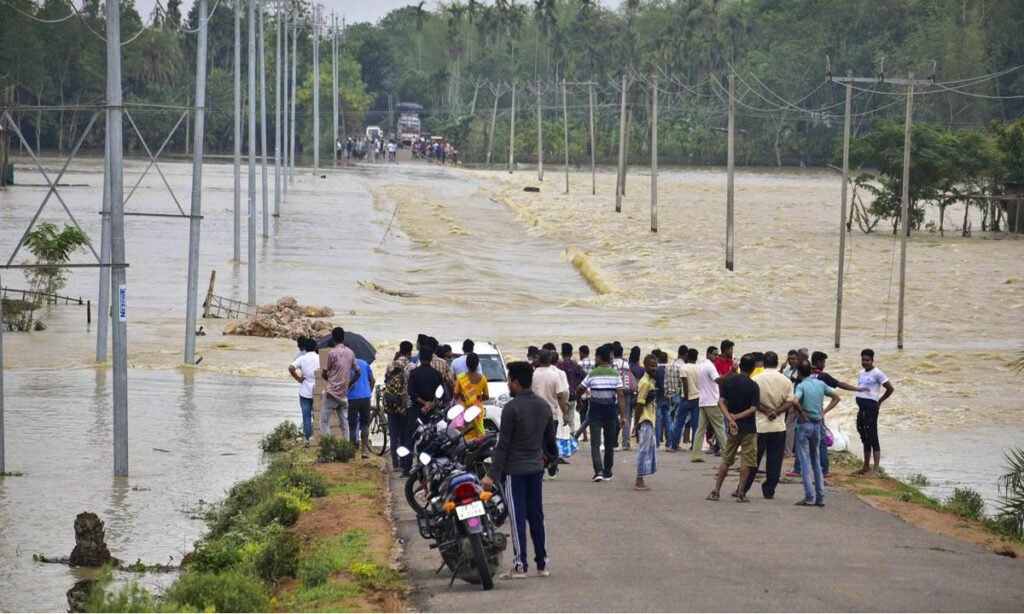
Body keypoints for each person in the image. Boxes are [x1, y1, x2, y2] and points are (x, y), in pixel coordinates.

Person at [481, 362, 557, 580]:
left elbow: (503, 445)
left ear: (515, 381)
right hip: (535, 469)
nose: (508, 384)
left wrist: (491, 475)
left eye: (509, 380)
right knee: (536, 516)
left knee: (517, 518)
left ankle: (520, 565)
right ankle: (542, 564)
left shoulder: (511, 409)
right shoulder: (543, 407)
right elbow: (550, 443)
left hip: (514, 471)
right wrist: (548, 462)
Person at [790, 351, 869, 478]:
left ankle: (797, 469)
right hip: (817, 415)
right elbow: (840, 386)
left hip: (802, 413)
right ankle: (825, 470)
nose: (825, 365)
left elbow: (796, 394)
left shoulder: (804, 374)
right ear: (820, 362)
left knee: (801, 442)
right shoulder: (822, 377)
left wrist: (797, 411)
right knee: (821, 442)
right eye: (824, 362)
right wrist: (858, 389)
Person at [707, 354, 760, 503]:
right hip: (748, 427)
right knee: (746, 461)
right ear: (752, 369)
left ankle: (716, 491)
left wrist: (730, 419)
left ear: (740, 366)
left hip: (732, 428)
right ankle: (741, 493)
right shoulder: (753, 385)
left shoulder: (728, 382)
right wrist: (738, 417)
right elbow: (753, 408)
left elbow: (721, 402)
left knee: (726, 460)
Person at [742, 351, 796, 499]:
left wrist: (766, 411)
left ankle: (744, 488)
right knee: (775, 460)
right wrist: (777, 411)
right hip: (778, 426)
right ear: (777, 362)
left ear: (763, 363)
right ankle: (769, 490)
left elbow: (752, 401)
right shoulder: (785, 380)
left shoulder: (756, 379)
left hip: (759, 425)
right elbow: (790, 401)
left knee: (754, 459)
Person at [793, 361, 840, 506]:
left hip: (805, 425)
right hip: (818, 424)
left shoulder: (801, 386)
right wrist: (824, 411)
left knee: (805, 462)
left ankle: (809, 496)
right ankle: (820, 496)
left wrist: (801, 413)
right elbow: (836, 397)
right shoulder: (820, 384)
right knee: (816, 461)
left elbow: (795, 401)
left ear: (799, 373)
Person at [577, 345, 627, 482]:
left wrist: (578, 402)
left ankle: (598, 470)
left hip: (595, 411)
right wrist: (623, 415)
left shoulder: (592, 374)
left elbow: (579, 389)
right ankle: (608, 471)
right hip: (611, 411)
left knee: (595, 443)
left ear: (599, 357)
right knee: (609, 443)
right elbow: (620, 395)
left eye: (595, 357)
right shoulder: (616, 374)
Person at [403, 344, 444, 475]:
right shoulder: (437, 374)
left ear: (420, 357)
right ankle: (432, 468)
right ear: (431, 358)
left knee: (410, 440)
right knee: (433, 441)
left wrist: (423, 404)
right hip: (432, 413)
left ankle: (407, 469)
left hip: (416, 412)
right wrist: (431, 404)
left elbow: (411, 393)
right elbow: (441, 394)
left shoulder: (414, 373)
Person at [855, 349, 894, 476]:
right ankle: (865, 466)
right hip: (862, 408)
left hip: (871, 408)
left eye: (867, 360)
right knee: (863, 434)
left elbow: (890, 388)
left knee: (872, 435)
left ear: (872, 360)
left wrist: (880, 401)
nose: (865, 362)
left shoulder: (878, 373)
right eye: (863, 360)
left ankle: (875, 469)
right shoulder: (861, 373)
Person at [320, 327, 360, 438]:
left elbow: (324, 373)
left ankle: (328, 448)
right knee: (344, 423)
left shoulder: (332, 353)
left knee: (324, 421)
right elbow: (358, 373)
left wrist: (331, 381)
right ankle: (345, 447)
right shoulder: (351, 353)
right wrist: (349, 384)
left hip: (331, 394)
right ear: (343, 338)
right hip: (343, 394)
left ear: (333, 339)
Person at [691, 346, 728, 463]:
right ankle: (727, 455)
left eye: (717, 355)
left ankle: (696, 454)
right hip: (712, 401)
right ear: (708, 354)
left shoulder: (701, 366)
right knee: (720, 428)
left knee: (700, 429)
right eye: (714, 354)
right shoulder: (710, 367)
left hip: (703, 401)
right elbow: (718, 380)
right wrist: (730, 373)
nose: (717, 357)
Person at [382, 341, 413, 470]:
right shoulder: (411, 366)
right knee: (405, 435)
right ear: (410, 352)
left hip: (390, 403)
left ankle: (395, 464)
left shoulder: (390, 365)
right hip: (404, 404)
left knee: (393, 434)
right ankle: (404, 461)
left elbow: (386, 380)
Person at [633, 355, 659, 491]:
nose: (654, 368)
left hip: (650, 418)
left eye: (656, 366)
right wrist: (636, 424)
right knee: (643, 450)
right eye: (651, 366)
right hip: (645, 419)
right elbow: (639, 404)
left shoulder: (651, 381)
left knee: (649, 449)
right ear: (645, 366)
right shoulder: (645, 383)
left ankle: (642, 477)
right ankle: (639, 480)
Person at [288, 337, 320, 445]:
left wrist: (298, 379)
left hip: (305, 390)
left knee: (306, 416)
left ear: (305, 348)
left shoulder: (302, 358)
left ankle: (308, 439)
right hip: (318, 390)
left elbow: (291, 368)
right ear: (316, 347)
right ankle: (318, 437)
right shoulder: (320, 358)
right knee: (318, 416)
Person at [453, 352, 489, 439]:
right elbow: (486, 396)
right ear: (477, 364)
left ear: (467, 364)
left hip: (464, 410)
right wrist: (476, 399)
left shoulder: (461, 378)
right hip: (477, 410)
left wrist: (466, 397)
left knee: (464, 434)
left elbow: (455, 395)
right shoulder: (483, 379)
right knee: (478, 434)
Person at [531, 349, 569, 429]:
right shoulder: (555, 375)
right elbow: (560, 396)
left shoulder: (533, 375)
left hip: (535, 415)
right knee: (550, 440)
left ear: (538, 360)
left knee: (537, 440)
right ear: (550, 360)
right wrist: (564, 414)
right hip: (551, 415)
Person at [557, 343, 587, 436]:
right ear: (571, 353)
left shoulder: (559, 365)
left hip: (562, 396)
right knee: (571, 419)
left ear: (562, 353)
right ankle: (571, 438)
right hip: (573, 396)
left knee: (562, 419)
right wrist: (576, 385)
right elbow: (584, 376)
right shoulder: (575, 365)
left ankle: (563, 439)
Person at [348, 357, 375, 459]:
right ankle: (364, 451)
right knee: (365, 424)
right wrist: (369, 392)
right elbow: (372, 380)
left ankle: (352, 453)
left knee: (352, 425)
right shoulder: (364, 363)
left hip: (353, 398)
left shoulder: (348, 364)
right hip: (365, 398)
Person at [613, 343, 637, 450]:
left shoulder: (610, 364)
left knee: (613, 417)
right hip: (625, 393)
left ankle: (612, 441)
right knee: (626, 416)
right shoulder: (625, 364)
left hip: (613, 393)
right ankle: (626, 443)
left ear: (612, 353)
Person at [679, 348, 701, 449]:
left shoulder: (684, 367)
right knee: (696, 424)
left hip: (686, 398)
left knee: (680, 422)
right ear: (696, 358)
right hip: (697, 398)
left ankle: (674, 445)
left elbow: (685, 382)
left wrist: (686, 397)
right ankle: (694, 446)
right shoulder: (699, 368)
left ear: (687, 356)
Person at [653, 351, 671, 449]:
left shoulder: (656, 370)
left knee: (658, 420)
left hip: (658, 395)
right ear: (667, 359)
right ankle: (669, 444)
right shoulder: (669, 369)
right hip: (668, 396)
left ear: (658, 359)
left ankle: (657, 444)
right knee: (667, 420)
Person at [576, 345, 594, 441]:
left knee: (582, 414)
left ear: (582, 353)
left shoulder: (578, 364)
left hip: (582, 391)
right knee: (591, 414)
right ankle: (592, 434)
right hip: (592, 392)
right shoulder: (594, 363)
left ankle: (585, 436)